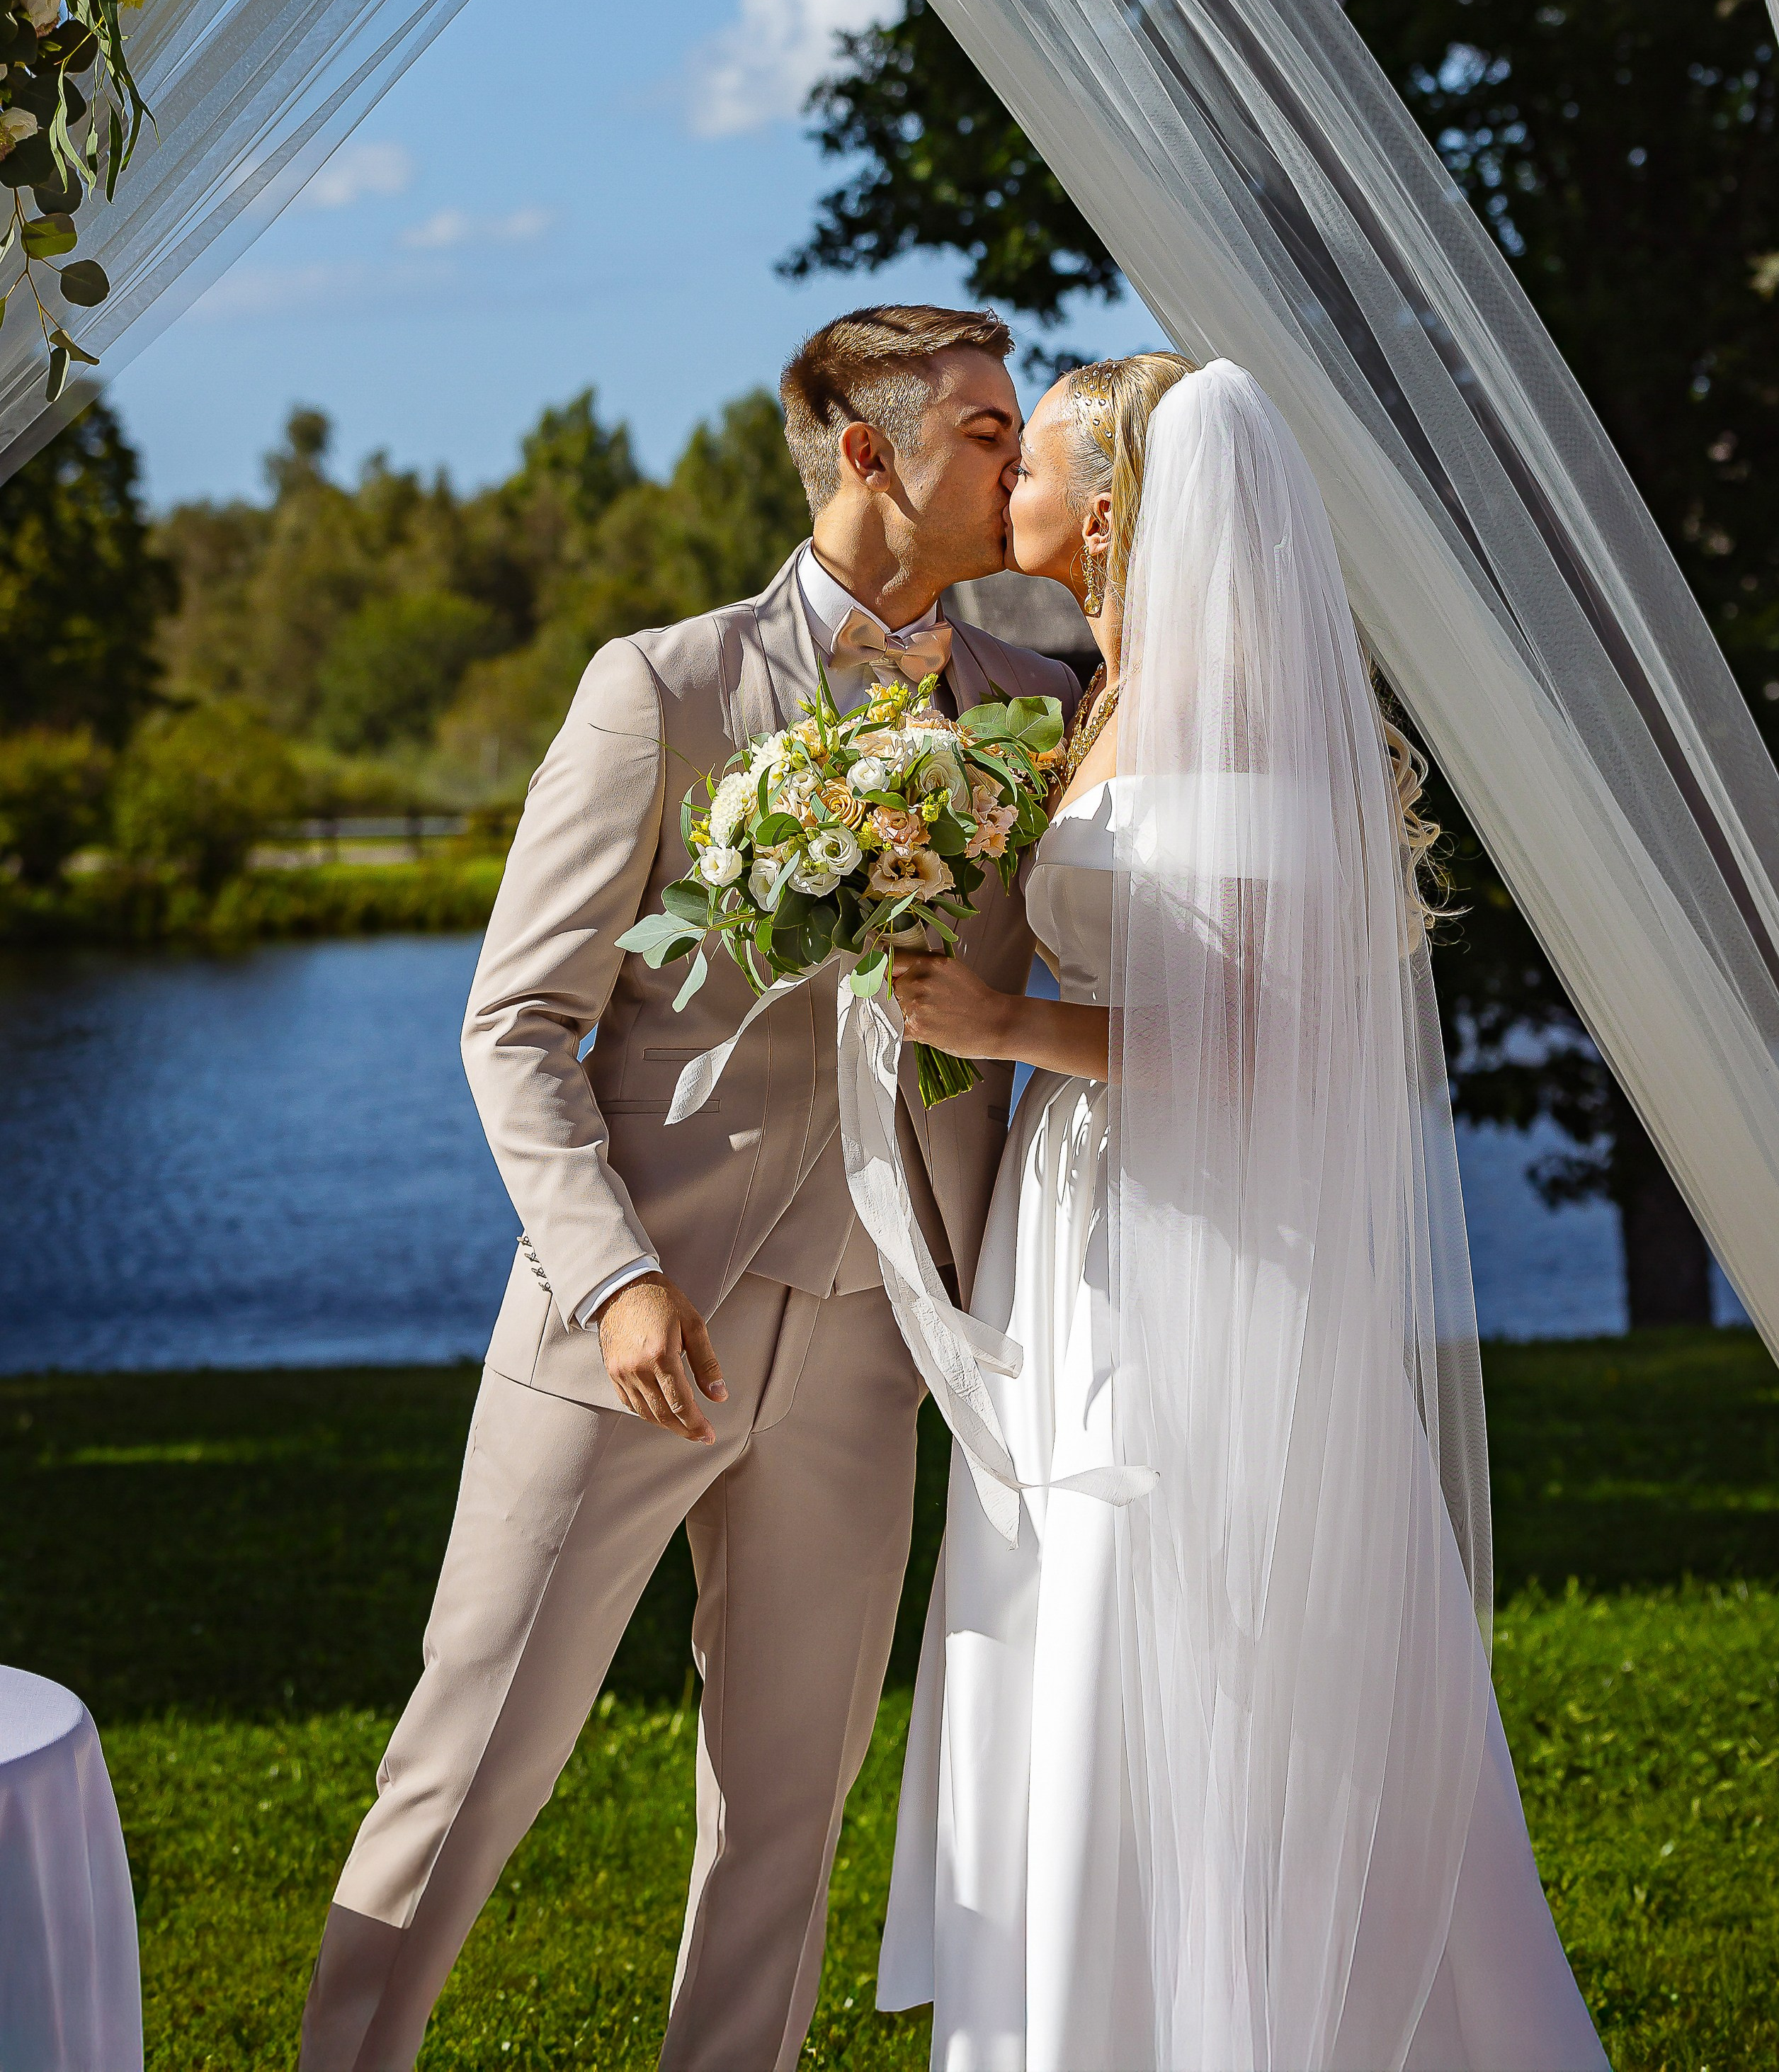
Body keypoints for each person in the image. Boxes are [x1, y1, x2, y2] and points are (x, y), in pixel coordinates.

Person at [296, 302, 1081, 2072]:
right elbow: (516, 1023)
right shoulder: (661, 689)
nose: (1018, 463)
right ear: (867, 453)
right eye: (984, 432)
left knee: (786, 1811)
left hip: (877, 1336)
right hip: (629, 1333)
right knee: (465, 1766)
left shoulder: (1039, 715)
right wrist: (615, 1278)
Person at [880, 352, 1610, 2072]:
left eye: (1032, 457)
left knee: (1186, 1599)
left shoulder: (1234, 705)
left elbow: (1264, 1044)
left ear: (1109, 510)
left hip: (1197, 1234)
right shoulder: (1102, 693)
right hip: (1083, 1214)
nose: (1007, 479)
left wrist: (1003, 1028)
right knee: (1073, 1584)